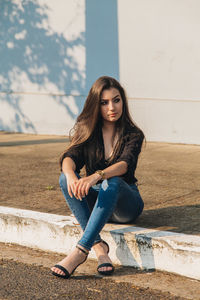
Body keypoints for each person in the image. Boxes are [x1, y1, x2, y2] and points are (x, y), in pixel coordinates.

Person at [51, 76, 144, 279]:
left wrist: (96, 176)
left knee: (113, 182)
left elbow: (125, 165)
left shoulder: (134, 134)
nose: (112, 107)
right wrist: (70, 176)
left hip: (126, 204)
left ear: (123, 102)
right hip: (99, 201)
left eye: (116, 100)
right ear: (96, 105)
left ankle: (80, 252)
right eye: (104, 102)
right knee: (64, 179)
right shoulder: (88, 131)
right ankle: (100, 249)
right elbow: (69, 157)